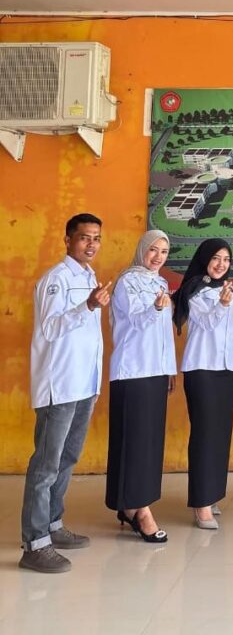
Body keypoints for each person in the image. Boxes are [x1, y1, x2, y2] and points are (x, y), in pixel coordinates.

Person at [19, 214, 111, 574]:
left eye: (96, 238)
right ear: (68, 240)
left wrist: (96, 381)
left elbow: (89, 337)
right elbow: (50, 328)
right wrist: (87, 306)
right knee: (46, 465)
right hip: (59, 385)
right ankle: (35, 544)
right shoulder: (55, 279)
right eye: (84, 237)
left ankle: (53, 524)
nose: (91, 244)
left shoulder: (88, 277)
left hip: (83, 384)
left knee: (67, 458)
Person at [105, 229, 175, 543]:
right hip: (132, 371)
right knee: (133, 440)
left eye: (164, 252)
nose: (158, 257)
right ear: (142, 250)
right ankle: (139, 509)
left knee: (149, 441)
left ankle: (131, 504)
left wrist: (169, 369)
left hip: (155, 371)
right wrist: (156, 308)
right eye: (153, 250)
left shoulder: (160, 283)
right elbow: (136, 321)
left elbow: (164, 333)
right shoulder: (127, 282)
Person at [173, 238, 233, 530]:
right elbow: (206, 324)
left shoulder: (229, 290)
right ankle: (200, 504)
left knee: (220, 435)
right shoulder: (194, 291)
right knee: (204, 434)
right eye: (215, 258)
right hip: (202, 369)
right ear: (204, 260)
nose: (221, 265)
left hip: (227, 369)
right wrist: (222, 305)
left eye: (226, 259)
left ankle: (211, 494)